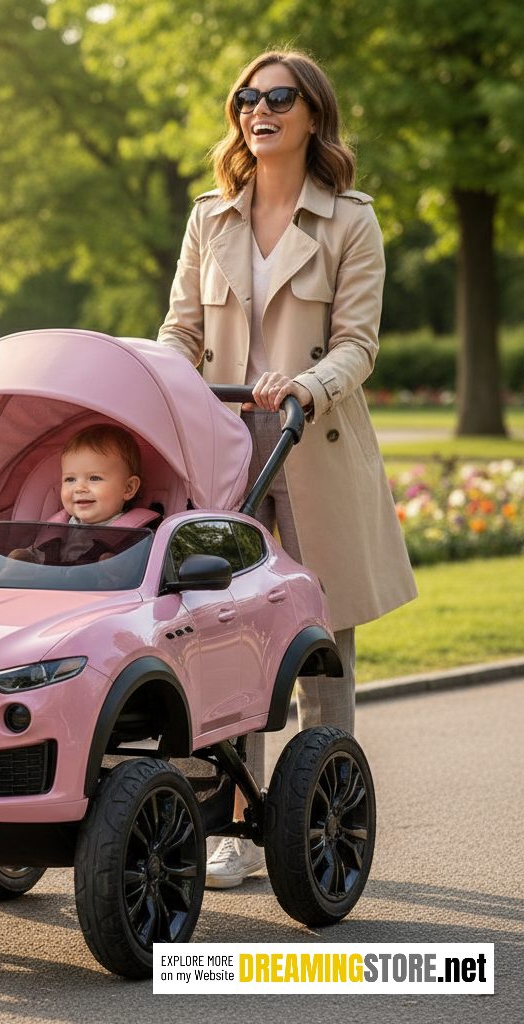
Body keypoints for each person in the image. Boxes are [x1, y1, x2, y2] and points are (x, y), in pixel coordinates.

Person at [157, 50, 417, 888]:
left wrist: (306, 386)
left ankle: (322, 825)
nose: (258, 110)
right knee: (219, 636)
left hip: (316, 440)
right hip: (226, 448)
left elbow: (358, 344)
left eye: (278, 97)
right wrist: (166, 384)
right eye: (246, 97)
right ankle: (228, 828)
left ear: (312, 115)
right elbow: (181, 329)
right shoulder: (210, 219)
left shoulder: (351, 221)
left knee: (320, 645)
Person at [9, 424, 142, 564]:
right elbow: (40, 554)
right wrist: (24, 560)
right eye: (70, 479)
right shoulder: (57, 528)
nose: (79, 488)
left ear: (128, 488)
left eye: (94, 478)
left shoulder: (133, 539)